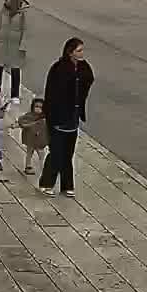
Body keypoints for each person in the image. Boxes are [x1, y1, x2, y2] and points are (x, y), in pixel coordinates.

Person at [38, 37, 94, 197]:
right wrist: (50, 115)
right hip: (58, 118)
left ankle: (67, 185)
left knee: (68, 153)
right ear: (70, 52)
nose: (82, 53)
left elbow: (89, 79)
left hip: (73, 117)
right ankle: (46, 183)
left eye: (82, 50)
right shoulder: (58, 68)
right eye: (79, 50)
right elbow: (51, 93)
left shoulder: (83, 68)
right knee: (56, 152)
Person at [0, 0, 29, 98]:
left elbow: (26, 30)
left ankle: (15, 95)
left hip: (15, 46)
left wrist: (23, 46)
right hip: (1, 44)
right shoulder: (3, 11)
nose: (5, 1)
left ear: (12, 0)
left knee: (15, 69)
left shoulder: (22, 13)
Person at [15, 98, 49, 176]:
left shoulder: (45, 118)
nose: (38, 109)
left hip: (40, 140)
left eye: (41, 107)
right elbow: (21, 121)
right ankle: (28, 166)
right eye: (36, 106)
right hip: (30, 139)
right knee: (30, 153)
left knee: (41, 154)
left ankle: (43, 168)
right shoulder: (29, 116)